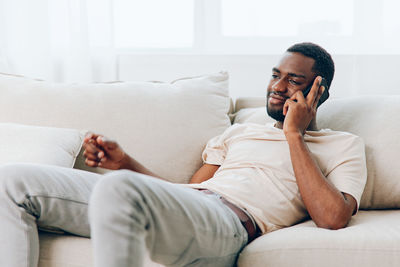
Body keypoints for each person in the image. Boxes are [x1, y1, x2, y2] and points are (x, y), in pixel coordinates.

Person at [0, 42, 367, 267]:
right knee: (11, 181)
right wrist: (124, 163)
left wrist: (293, 134)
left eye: (294, 81)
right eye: (276, 75)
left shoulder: (342, 144)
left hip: (230, 225)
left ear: (320, 93)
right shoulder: (237, 132)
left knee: (119, 189)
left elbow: (332, 217)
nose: (278, 87)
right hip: (192, 208)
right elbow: (184, 194)